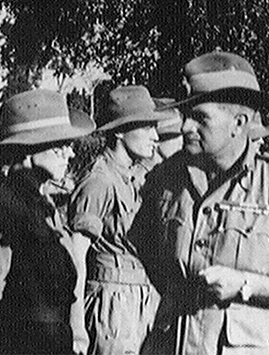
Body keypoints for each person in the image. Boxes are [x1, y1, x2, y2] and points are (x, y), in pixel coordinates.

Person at [134, 51, 269, 355]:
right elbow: (148, 256)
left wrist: (246, 283)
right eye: (186, 115)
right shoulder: (165, 181)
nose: (186, 127)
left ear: (238, 123)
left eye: (200, 118)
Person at [0, 89, 95, 355]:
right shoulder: (1, 216)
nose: (69, 154)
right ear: (28, 148)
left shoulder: (46, 208)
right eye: (60, 144)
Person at [68, 85, 171, 355]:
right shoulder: (100, 181)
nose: (156, 136)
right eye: (147, 127)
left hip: (141, 299)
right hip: (111, 305)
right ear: (120, 130)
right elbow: (76, 258)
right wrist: (77, 325)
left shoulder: (137, 176)